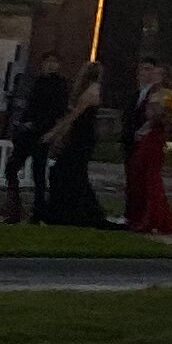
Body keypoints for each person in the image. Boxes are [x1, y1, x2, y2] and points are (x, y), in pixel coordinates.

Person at [45, 65, 111, 225]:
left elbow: (74, 116)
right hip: (81, 136)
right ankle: (71, 211)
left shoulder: (91, 91)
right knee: (72, 173)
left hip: (82, 137)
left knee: (68, 172)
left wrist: (54, 133)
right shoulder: (92, 90)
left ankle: (72, 212)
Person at [124, 69, 172, 237]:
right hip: (149, 136)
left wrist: (148, 126)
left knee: (151, 177)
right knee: (142, 173)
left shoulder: (166, 95)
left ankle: (152, 218)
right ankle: (151, 216)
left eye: (157, 74)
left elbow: (162, 117)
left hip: (154, 137)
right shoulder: (155, 93)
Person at [12, 59, 69, 223]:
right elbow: (31, 106)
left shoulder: (57, 85)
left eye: (53, 62)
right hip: (30, 134)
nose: (49, 66)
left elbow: (55, 111)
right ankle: (18, 209)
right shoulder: (38, 82)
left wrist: (41, 127)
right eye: (47, 62)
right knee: (17, 168)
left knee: (38, 173)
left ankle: (37, 210)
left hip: (40, 134)